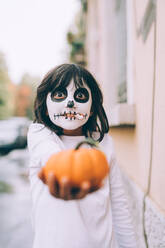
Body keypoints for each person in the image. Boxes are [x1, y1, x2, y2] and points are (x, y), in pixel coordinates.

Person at [27, 63, 138, 248]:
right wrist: (68, 178)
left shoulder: (104, 144)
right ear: (46, 107)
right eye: (60, 95)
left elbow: (119, 206)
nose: (70, 102)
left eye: (79, 96)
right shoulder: (40, 134)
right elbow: (51, 157)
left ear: (92, 107)